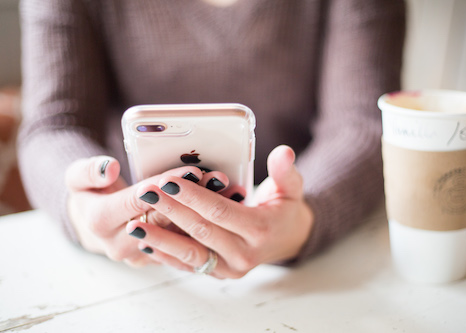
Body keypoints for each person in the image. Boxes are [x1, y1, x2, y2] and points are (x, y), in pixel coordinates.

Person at [18, 0, 405, 278]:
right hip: (134, 250)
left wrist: (306, 214)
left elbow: (363, 124)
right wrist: (86, 214)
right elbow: (53, 126)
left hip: (298, 250)